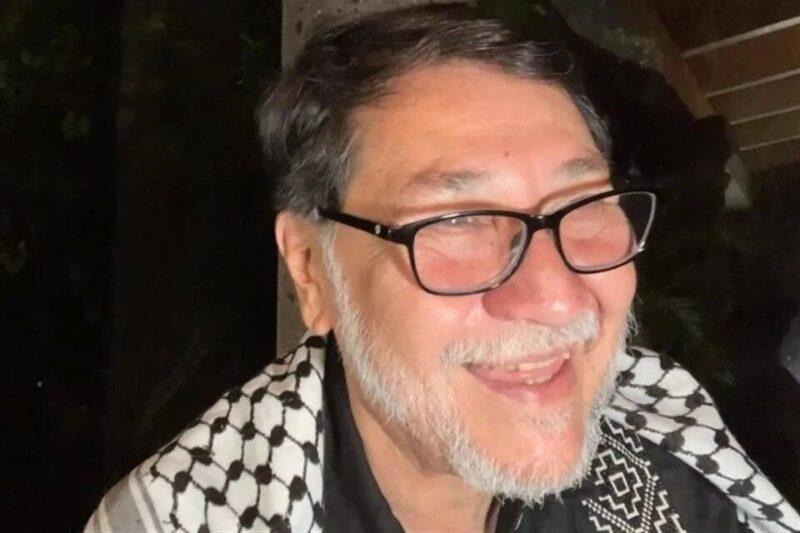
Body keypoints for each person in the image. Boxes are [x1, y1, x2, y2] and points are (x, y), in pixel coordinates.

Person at [86, 5, 800, 532]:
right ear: (310, 271)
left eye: (582, 202)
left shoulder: (665, 452)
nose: (557, 299)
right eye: (457, 221)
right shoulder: (188, 515)